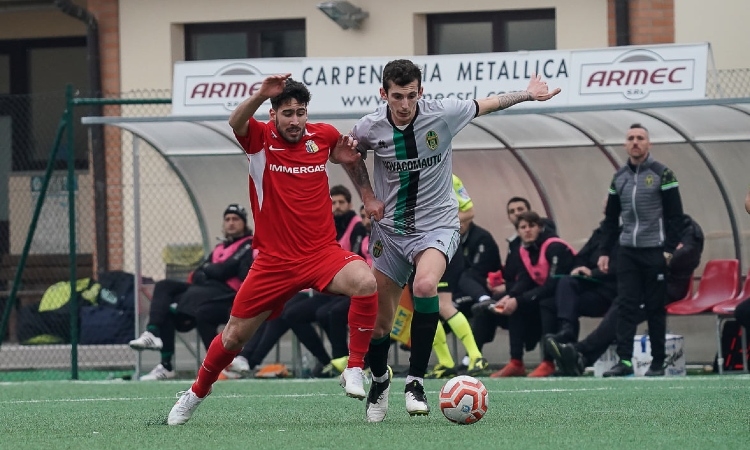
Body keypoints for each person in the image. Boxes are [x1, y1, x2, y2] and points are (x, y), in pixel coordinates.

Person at [342, 60, 560, 422]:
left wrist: (528, 94)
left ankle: (415, 381)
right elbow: (350, 157)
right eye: (397, 96)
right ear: (384, 94)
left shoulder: (442, 114)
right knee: (380, 325)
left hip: (437, 225)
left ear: (421, 92)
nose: (405, 104)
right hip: (391, 232)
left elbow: (487, 103)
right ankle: (380, 381)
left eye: (412, 95)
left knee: (427, 285)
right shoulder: (369, 127)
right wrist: (366, 195)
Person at [167, 75, 378, 426]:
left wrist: (368, 196)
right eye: (288, 114)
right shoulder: (260, 139)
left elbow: (348, 158)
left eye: (300, 113)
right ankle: (196, 392)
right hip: (274, 262)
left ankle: (355, 367)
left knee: (365, 282)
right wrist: (260, 93)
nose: (295, 121)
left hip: (321, 253)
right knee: (234, 336)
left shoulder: (322, 135)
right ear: (274, 114)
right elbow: (235, 121)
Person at [548, 214, 703, 375]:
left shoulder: (685, 226)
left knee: (626, 307)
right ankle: (580, 358)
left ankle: (580, 352)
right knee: (625, 302)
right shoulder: (645, 224)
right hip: (642, 283)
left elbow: (685, 256)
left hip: (667, 287)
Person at [598, 123, 684, 377]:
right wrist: (604, 251)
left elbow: (676, 217)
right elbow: (611, 219)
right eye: (631, 138)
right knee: (626, 305)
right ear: (625, 144)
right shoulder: (619, 177)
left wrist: (668, 251)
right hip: (627, 251)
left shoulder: (663, 174)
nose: (635, 142)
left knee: (656, 307)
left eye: (640, 138)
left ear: (649, 144)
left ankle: (658, 362)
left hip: (654, 250)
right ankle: (624, 361)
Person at [129, 204, 253, 380]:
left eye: (235, 219)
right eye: (227, 219)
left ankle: (223, 365)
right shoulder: (220, 247)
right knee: (164, 286)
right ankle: (154, 336)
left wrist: (211, 271)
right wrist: (212, 271)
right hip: (205, 291)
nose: (231, 223)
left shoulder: (248, 244)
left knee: (177, 309)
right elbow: (197, 274)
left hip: (227, 295)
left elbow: (224, 269)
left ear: (244, 223)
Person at [490, 211, 576, 377]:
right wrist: (511, 296)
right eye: (523, 227)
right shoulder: (523, 250)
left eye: (531, 226)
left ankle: (548, 362)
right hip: (546, 293)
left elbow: (553, 284)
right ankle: (516, 362)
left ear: (540, 228)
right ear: (518, 231)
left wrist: (519, 299)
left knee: (545, 303)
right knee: (513, 305)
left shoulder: (554, 246)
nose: (527, 230)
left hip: (570, 295)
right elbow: (524, 279)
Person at [426, 174, 491, 379]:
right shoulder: (405, 173)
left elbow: (468, 212)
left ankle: (475, 356)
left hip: (443, 246)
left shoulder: (448, 177)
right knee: (424, 307)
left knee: (444, 304)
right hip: (416, 249)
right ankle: (445, 362)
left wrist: (440, 223)